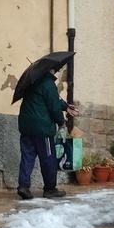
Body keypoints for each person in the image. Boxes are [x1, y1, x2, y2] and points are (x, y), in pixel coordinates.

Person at [17, 71, 76, 200]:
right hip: (42, 129)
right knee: (48, 158)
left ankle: (23, 186)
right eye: (55, 69)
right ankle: (50, 189)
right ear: (50, 70)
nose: (57, 71)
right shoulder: (48, 83)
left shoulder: (31, 83)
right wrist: (61, 122)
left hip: (26, 126)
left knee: (27, 157)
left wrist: (65, 106)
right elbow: (53, 106)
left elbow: (47, 100)